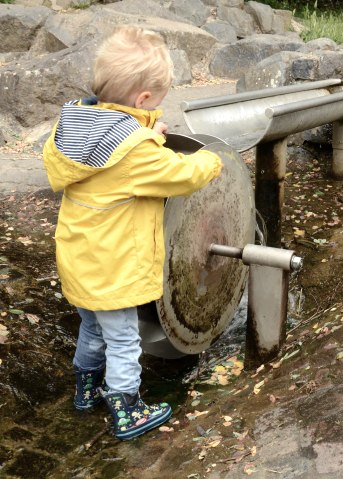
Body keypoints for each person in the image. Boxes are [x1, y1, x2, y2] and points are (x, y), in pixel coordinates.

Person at [42, 26, 223, 441]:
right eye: (157, 100)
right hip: (114, 266)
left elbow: (120, 149)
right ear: (143, 99)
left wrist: (146, 135)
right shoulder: (136, 152)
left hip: (80, 258)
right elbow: (180, 175)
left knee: (92, 327)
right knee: (124, 340)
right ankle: (128, 409)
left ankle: (85, 391)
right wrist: (214, 159)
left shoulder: (74, 125)